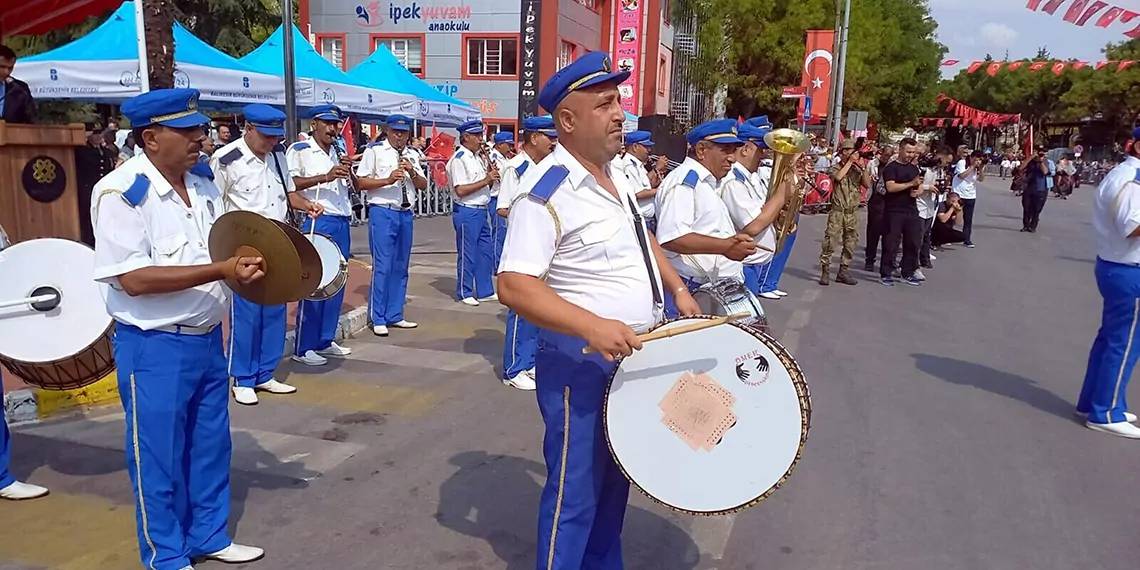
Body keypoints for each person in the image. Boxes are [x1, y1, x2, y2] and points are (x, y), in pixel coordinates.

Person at [496, 51, 700, 570]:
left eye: (619, 102)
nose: (620, 115)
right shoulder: (544, 194)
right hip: (580, 359)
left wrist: (676, 289)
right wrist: (592, 325)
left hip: (632, 352)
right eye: (605, 104)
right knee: (576, 493)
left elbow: (643, 239)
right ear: (567, 121)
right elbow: (513, 285)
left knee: (615, 488)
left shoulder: (616, 180)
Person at [90, 88, 266, 570]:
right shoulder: (122, 193)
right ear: (150, 138)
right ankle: (166, 554)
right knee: (158, 456)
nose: (200, 138)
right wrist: (222, 271)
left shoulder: (204, 184)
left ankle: (208, 534)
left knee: (210, 446)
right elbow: (134, 278)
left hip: (208, 339)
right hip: (154, 346)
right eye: (186, 131)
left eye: (200, 129)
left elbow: (221, 248)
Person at [212, 104, 322, 405]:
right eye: (266, 136)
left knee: (274, 310)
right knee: (246, 315)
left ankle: (264, 373)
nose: (272, 142)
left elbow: (287, 194)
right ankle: (243, 378)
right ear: (248, 129)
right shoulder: (226, 159)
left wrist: (305, 205)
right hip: (243, 247)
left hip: (278, 243)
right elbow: (213, 204)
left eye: (275, 136)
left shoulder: (277, 157)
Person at [655, 118, 756, 317]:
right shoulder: (685, 183)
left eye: (734, 151)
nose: (732, 158)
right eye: (725, 150)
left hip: (710, 287)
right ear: (701, 150)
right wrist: (726, 246)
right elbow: (672, 237)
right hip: (691, 288)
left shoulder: (706, 182)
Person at [1076, 127, 1140, 439]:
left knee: (1111, 339)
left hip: (1118, 266)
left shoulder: (1124, 175)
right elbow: (1132, 226)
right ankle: (1106, 410)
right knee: (1124, 344)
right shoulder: (1133, 181)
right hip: (1129, 268)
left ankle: (1094, 401)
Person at [286, 105, 355, 365]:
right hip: (318, 218)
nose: (332, 128)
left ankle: (325, 339)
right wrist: (325, 176)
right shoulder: (301, 150)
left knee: (337, 280)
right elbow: (291, 184)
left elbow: (352, 184)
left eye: (335, 124)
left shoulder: (339, 149)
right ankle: (304, 346)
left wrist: (349, 172)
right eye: (326, 123)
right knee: (316, 282)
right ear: (314, 124)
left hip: (342, 217)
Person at [495, 116, 559, 391]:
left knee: (537, 310)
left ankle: (530, 361)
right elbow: (503, 207)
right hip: (523, 244)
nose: (553, 142)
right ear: (534, 138)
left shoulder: (547, 168)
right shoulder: (516, 167)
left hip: (542, 245)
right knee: (521, 309)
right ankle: (514, 367)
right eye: (549, 137)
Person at [355, 114, 427, 337]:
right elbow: (360, 182)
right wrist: (388, 179)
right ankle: (378, 316)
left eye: (404, 133)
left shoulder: (412, 154)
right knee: (383, 265)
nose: (400, 136)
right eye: (396, 132)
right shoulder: (374, 151)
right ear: (387, 131)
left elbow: (424, 185)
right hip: (383, 211)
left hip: (405, 213)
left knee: (401, 266)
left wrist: (412, 172)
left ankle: (395, 314)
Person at [720, 124, 788, 295]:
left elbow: (762, 212)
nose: (763, 155)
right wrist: (781, 196)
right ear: (745, 149)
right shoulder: (734, 181)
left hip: (751, 265)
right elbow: (753, 226)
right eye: (761, 149)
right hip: (741, 266)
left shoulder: (746, 178)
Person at [447, 120, 499, 306]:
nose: (480, 139)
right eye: (477, 136)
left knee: (485, 252)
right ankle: (464, 290)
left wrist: (491, 176)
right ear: (466, 137)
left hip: (481, 209)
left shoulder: (478, 157)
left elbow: (488, 186)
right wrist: (486, 179)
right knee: (467, 252)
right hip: (467, 209)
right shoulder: (459, 158)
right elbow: (460, 189)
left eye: (481, 135)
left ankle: (485, 290)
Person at [818, 138, 871, 286]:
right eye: (848, 151)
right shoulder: (835, 167)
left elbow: (867, 184)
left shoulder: (856, 169)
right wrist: (849, 162)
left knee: (850, 242)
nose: (851, 154)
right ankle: (825, 270)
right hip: (838, 211)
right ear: (842, 153)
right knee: (830, 242)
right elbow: (839, 177)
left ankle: (843, 270)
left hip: (852, 212)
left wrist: (862, 167)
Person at [879, 137, 924, 286]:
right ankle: (886, 273)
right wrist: (910, 184)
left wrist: (917, 190)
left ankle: (908, 272)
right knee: (891, 243)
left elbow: (918, 185)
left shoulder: (913, 168)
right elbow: (890, 187)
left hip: (911, 209)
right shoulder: (892, 167)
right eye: (908, 151)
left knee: (913, 242)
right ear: (900, 149)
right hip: (894, 210)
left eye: (913, 152)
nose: (911, 155)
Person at [617, 130, 664, 232]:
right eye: (646, 147)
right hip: (640, 220)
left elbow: (645, 186)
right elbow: (638, 193)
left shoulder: (637, 164)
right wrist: (663, 189)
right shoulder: (629, 165)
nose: (649, 150)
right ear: (635, 147)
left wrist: (656, 181)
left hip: (647, 220)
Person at [864, 145, 895, 271]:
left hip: (888, 200)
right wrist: (870, 178)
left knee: (889, 232)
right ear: (881, 153)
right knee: (873, 231)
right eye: (885, 155)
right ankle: (869, 259)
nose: (886, 158)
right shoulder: (873, 163)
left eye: (889, 156)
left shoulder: (892, 166)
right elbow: (866, 180)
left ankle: (888, 261)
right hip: (875, 199)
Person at [488, 131, 514, 269]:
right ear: (499, 145)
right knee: (499, 233)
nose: (510, 148)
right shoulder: (493, 158)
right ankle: (495, 265)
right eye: (508, 145)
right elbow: (500, 179)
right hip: (496, 198)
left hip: (505, 198)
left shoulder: (506, 158)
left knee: (504, 234)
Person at [953, 148, 985, 248]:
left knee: (968, 218)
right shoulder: (962, 163)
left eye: (979, 159)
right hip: (958, 193)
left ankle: (967, 239)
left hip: (970, 195)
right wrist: (972, 166)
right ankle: (946, 236)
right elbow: (962, 176)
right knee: (953, 216)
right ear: (971, 157)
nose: (977, 161)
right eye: (976, 159)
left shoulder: (978, 167)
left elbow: (981, 179)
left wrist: (980, 169)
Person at [0, 44, 35, 124]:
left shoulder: (20, 88)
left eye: (10, 68)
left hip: (12, 135)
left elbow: (32, 120)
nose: (6, 72)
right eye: (2, 67)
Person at [1019, 146, 1050, 233]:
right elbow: (1021, 167)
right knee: (1026, 207)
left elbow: (1045, 172)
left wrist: (1041, 161)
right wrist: (1031, 157)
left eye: (1042, 152)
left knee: (1036, 209)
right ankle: (1026, 225)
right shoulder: (1030, 161)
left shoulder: (1046, 162)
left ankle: (1033, 226)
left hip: (1040, 188)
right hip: (1028, 187)